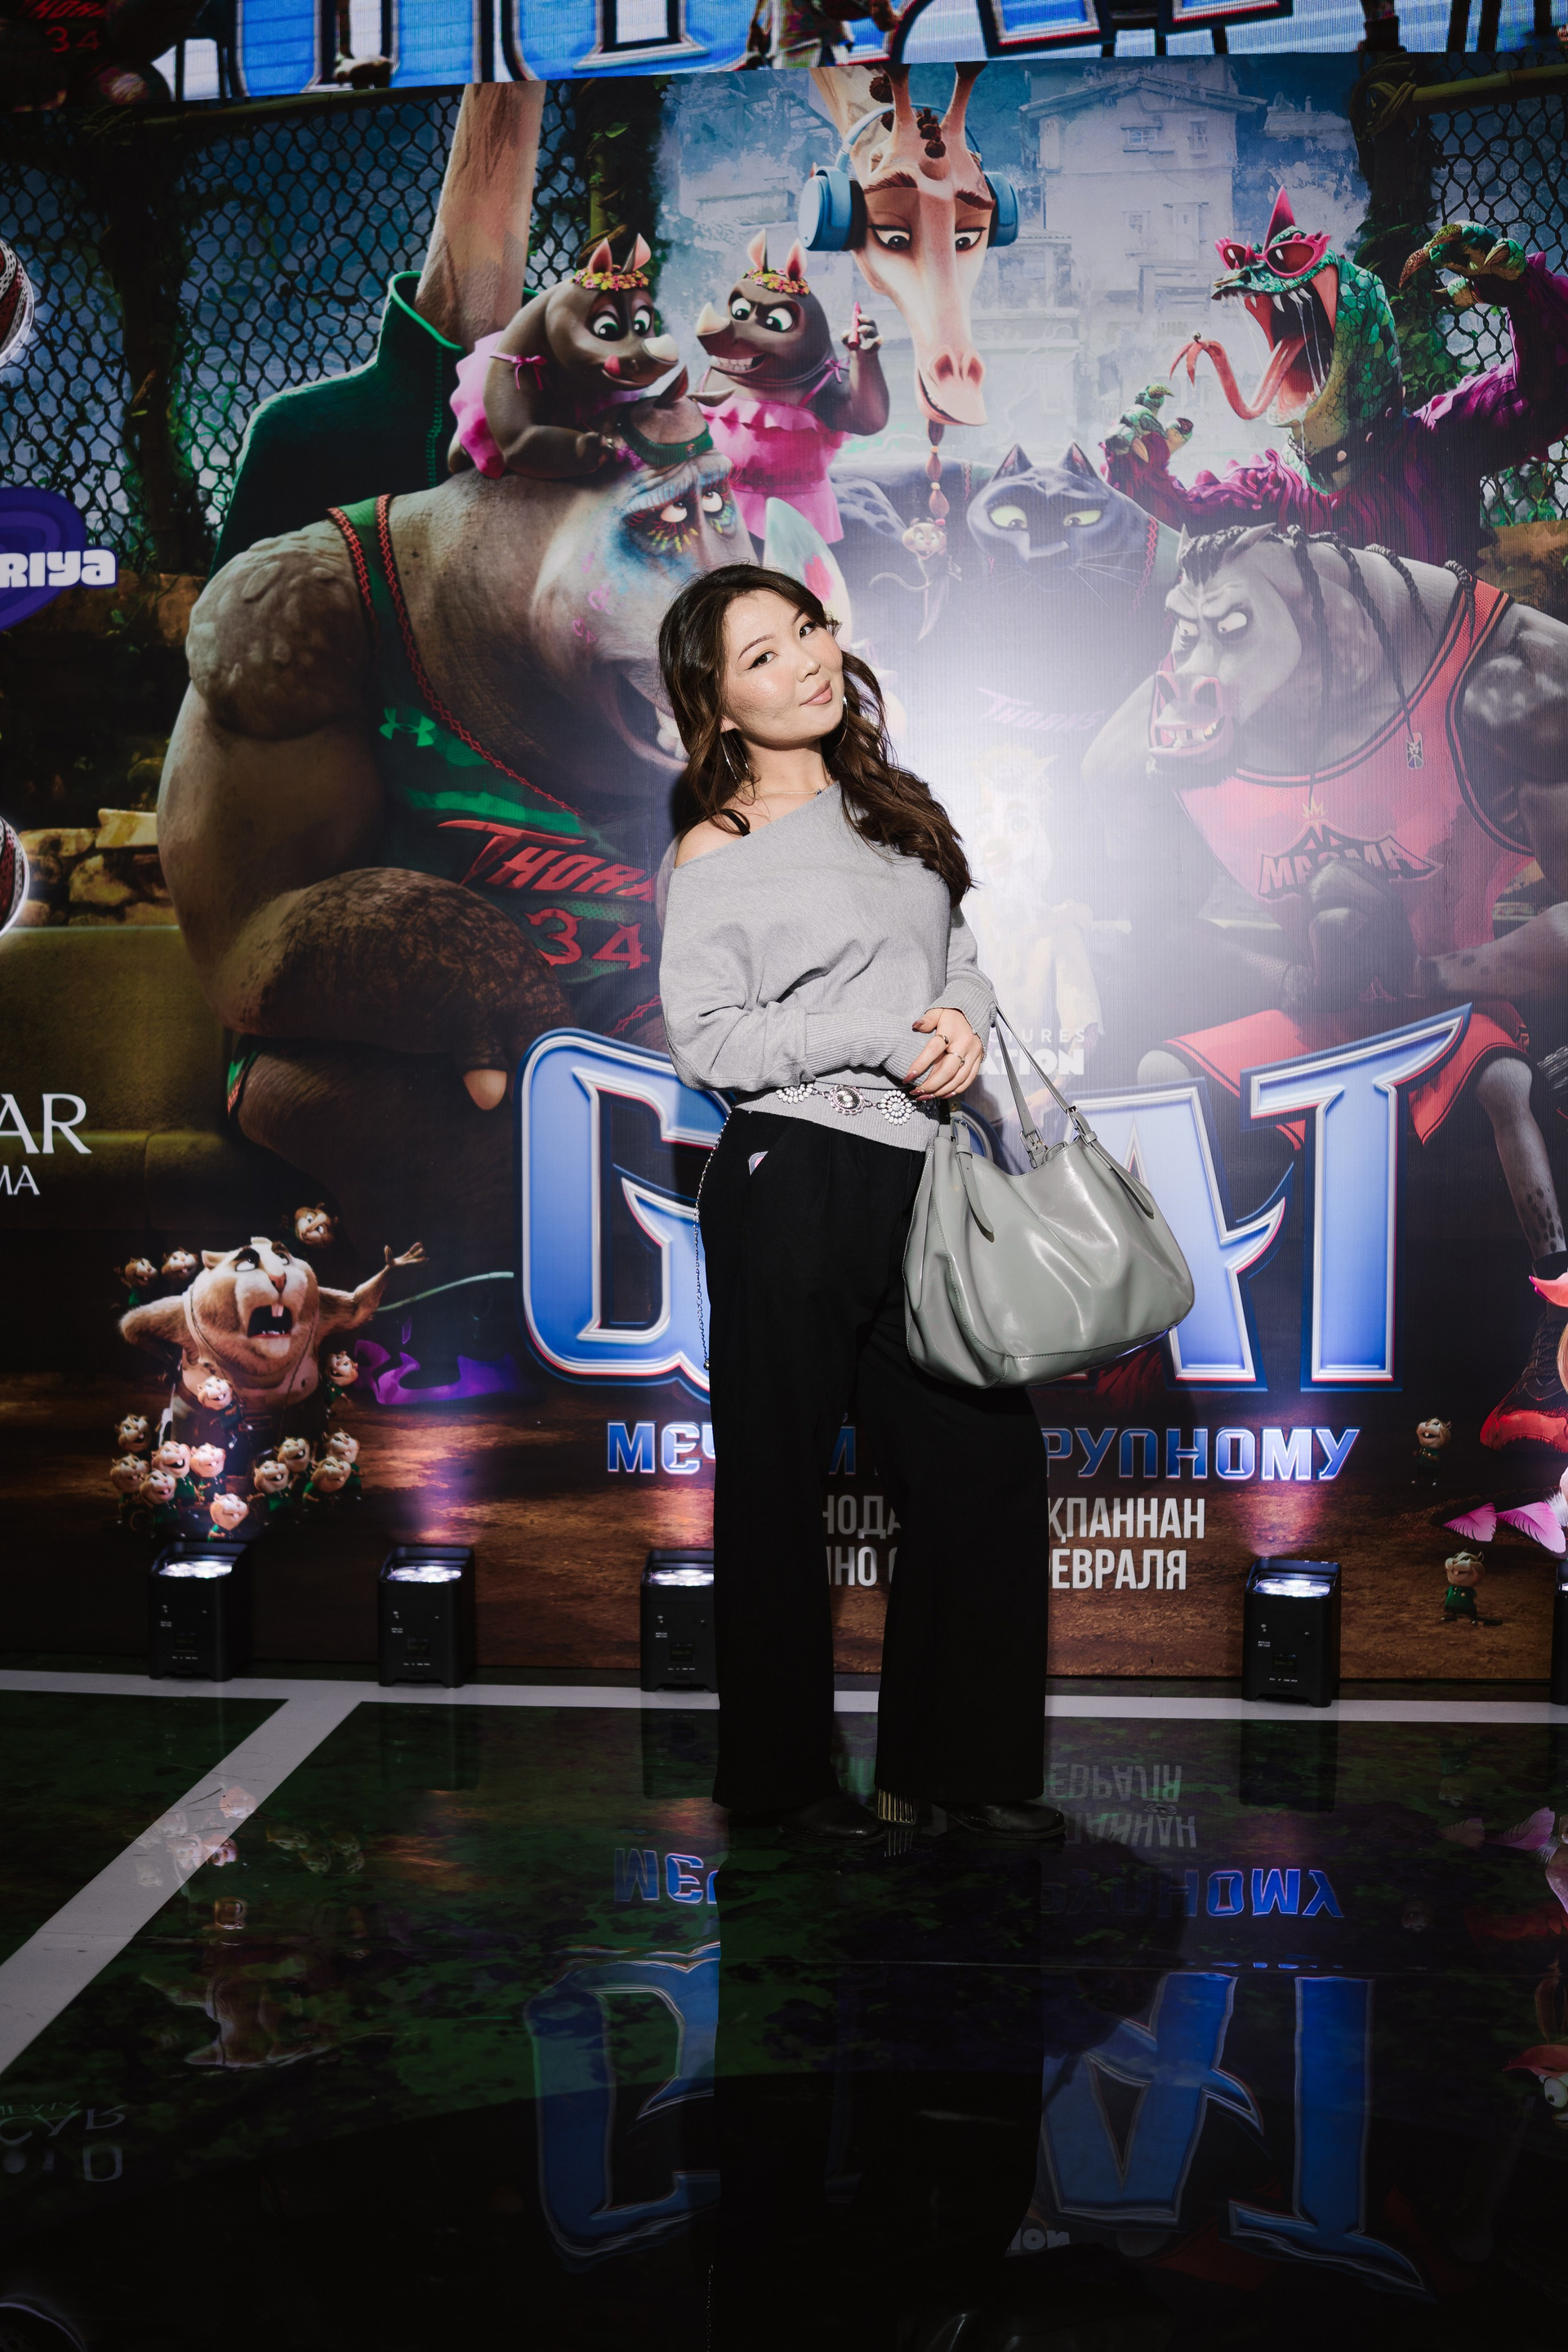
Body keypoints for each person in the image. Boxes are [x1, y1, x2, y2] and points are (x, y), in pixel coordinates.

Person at [657, 564, 1062, 1844]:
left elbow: (963, 959)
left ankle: (955, 1770)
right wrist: (884, 1035)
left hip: (920, 1178)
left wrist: (959, 1019)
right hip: (791, 1178)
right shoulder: (716, 850)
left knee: (985, 1467)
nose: (805, 663)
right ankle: (778, 1786)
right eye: (762, 656)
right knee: (776, 1490)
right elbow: (709, 1039)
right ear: (718, 704)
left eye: (808, 630)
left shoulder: (895, 811)